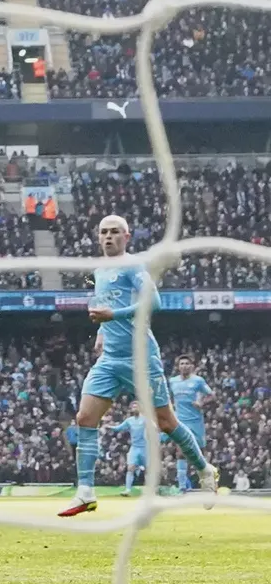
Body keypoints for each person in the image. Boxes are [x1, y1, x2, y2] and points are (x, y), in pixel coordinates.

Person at [59, 215, 216, 517]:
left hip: (141, 358)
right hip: (110, 361)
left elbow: (154, 302)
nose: (108, 237)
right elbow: (104, 302)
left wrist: (111, 317)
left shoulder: (132, 266)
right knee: (85, 417)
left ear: (127, 236)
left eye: (115, 232)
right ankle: (85, 492)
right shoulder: (99, 270)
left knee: (167, 423)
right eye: (103, 232)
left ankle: (205, 469)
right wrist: (103, 332)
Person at [166, 356, 214, 495]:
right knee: (180, 453)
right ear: (178, 366)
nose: (185, 366)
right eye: (182, 363)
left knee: (201, 453)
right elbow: (167, 397)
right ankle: (182, 488)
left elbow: (212, 395)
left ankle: (208, 482)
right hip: (180, 422)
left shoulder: (198, 381)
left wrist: (202, 403)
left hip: (196, 422)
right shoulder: (173, 381)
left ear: (192, 366)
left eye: (187, 363)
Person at [112, 411, 147, 496]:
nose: (135, 408)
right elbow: (119, 428)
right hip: (134, 447)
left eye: (136, 406)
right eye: (133, 407)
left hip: (145, 447)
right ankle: (127, 490)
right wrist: (110, 427)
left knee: (148, 469)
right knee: (130, 468)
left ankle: (150, 491)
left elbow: (155, 427)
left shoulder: (146, 419)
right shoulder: (129, 420)